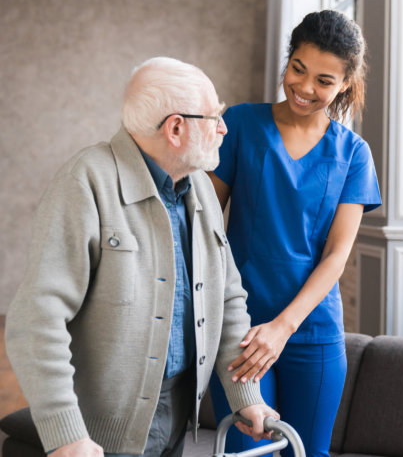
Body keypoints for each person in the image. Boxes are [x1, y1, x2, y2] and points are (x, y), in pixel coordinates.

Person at [5, 57, 278, 457]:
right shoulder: (86, 181)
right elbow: (36, 320)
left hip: (178, 411)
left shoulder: (200, 187)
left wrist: (246, 395)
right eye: (214, 116)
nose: (223, 128)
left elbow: (227, 297)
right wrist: (66, 436)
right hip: (96, 437)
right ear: (176, 128)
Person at [207, 9, 381, 457]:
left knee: (308, 453)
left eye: (324, 81)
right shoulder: (240, 126)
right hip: (240, 329)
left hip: (313, 330)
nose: (305, 88)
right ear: (287, 61)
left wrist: (283, 328)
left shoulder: (354, 153)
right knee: (246, 452)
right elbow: (205, 227)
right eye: (298, 69)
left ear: (344, 84)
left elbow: (336, 257)